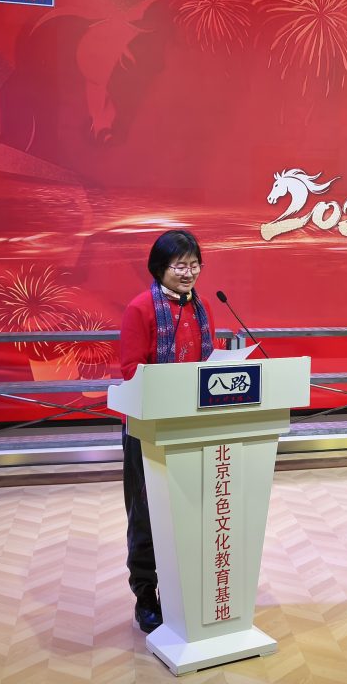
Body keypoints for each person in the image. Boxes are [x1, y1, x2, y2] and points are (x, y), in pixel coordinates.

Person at [118, 229, 219, 633]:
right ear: (160, 267)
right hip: (148, 427)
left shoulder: (203, 307)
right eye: (180, 265)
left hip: (193, 425)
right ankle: (146, 595)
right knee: (146, 514)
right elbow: (131, 370)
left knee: (190, 510)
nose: (189, 273)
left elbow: (207, 362)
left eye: (194, 265)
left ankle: (187, 587)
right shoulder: (140, 308)